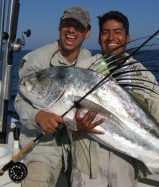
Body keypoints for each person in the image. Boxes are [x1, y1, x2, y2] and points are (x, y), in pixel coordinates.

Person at [70, 10, 159, 187]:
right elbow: (63, 112)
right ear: (99, 38)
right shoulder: (81, 71)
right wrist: (76, 126)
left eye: (117, 32)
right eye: (105, 32)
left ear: (127, 37)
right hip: (87, 164)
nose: (111, 37)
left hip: (126, 163)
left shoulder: (144, 77)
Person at [14, 6, 95, 187]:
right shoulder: (36, 59)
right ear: (60, 26)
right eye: (67, 24)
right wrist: (38, 117)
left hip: (77, 146)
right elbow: (20, 99)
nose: (71, 30)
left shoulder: (90, 61)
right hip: (42, 147)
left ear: (87, 33)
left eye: (79, 26)